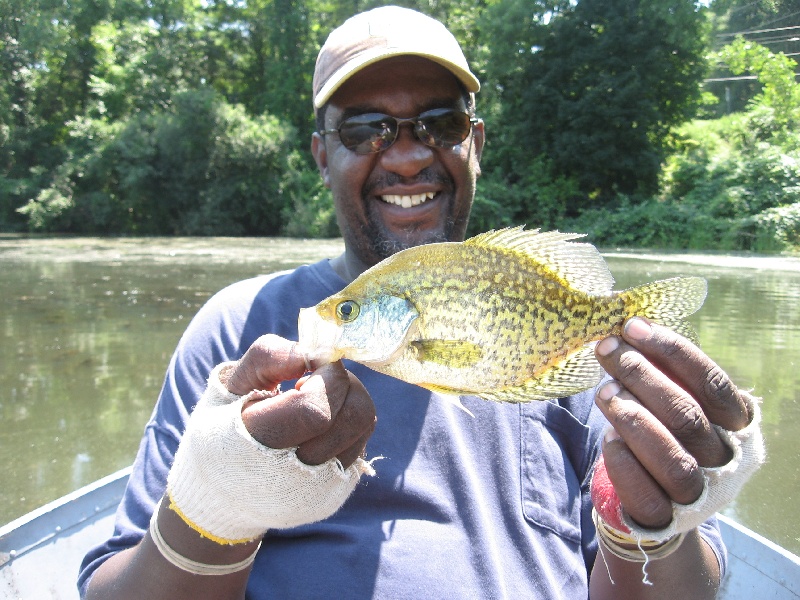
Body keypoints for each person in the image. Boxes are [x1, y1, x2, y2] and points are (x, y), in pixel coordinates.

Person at [79, 6, 764, 599]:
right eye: (364, 130)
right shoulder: (238, 330)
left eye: (440, 122)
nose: (407, 157)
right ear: (322, 156)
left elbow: (678, 587)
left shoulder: (594, 357)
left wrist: (651, 528)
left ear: (477, 143)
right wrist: (214, 510)